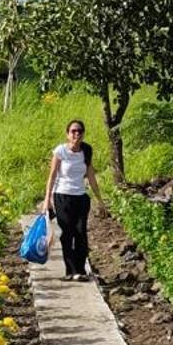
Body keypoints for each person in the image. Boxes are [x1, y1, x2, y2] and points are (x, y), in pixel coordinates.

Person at [42, 118, 103, 280]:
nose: (76, 134)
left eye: (80, 131)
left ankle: (80, 270)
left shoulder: (86, 150)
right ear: (67, 134)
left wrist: (100, 199)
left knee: (81, 232)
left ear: (83, 134)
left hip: (81, 198)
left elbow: (91, 176)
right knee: (67, 233)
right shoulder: (60, 151)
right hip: (62, 196)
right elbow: (52, 176)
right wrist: (47, 199)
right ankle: (71, 271)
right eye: (73, 131)